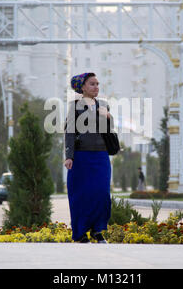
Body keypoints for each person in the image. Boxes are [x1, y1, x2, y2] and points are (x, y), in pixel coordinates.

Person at [64, 72, 113, 244]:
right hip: (81, 157)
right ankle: (80, 233)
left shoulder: (104, 105)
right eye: (92, 84)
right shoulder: (74, 106)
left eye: (97, 84)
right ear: (83, 87)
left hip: (101, 156)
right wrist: (69, 156)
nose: (96, 87)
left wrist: (108, 117)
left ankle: (98, 231)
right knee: (81, 195)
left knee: (102, 193)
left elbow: (109, 130)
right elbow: (69, 132)